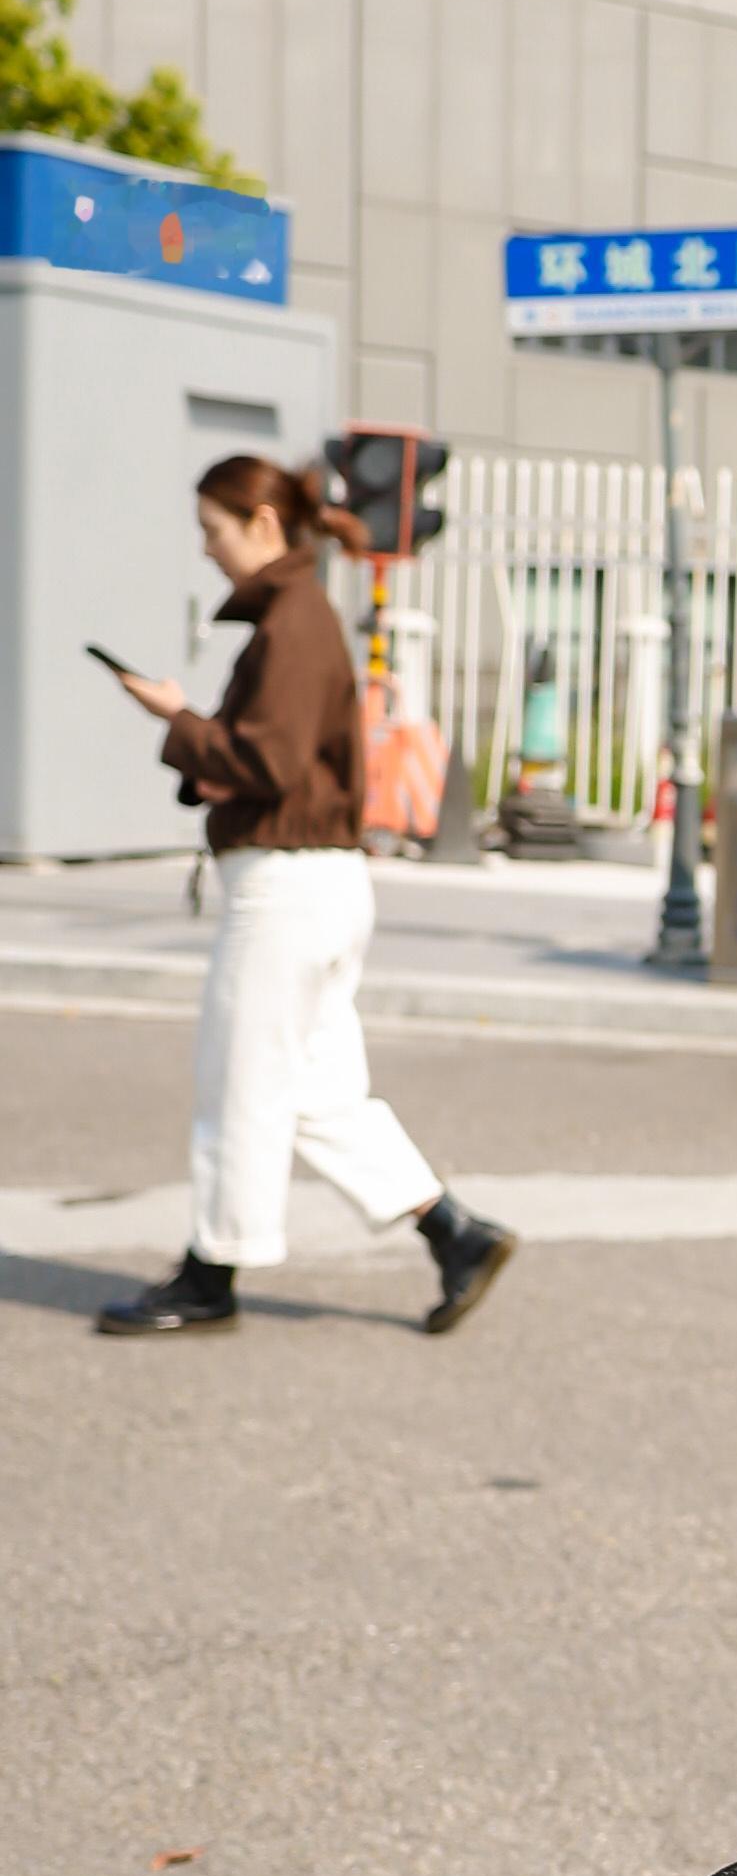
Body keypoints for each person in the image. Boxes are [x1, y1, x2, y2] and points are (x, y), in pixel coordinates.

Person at [92, 454, 517, 1344]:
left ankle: (213, 1274)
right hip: (318, 883)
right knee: (319, 1093)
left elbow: (269, 762)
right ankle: (455, 1234)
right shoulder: (302, 616)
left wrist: (175, 718)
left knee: (238, 1084)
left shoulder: (292, 620)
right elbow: (279, 760)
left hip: (284, 890)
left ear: (264, 526)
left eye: (215, 530)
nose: (206, 550)